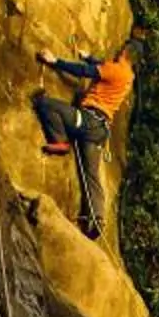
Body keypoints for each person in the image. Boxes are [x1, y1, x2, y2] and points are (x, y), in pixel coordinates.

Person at [32, 33, 138, 239]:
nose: (117, 51)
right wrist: (89, 56)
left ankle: (59, 141)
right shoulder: (128, 76)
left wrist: (55, 61)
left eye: (121, 49)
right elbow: (101, 66)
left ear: (125, 53)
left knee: (46, 104)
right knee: (91, 174)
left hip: (87, 121)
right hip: (100, 131)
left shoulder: (116, 70)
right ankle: (97, 218)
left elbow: (85, 71)